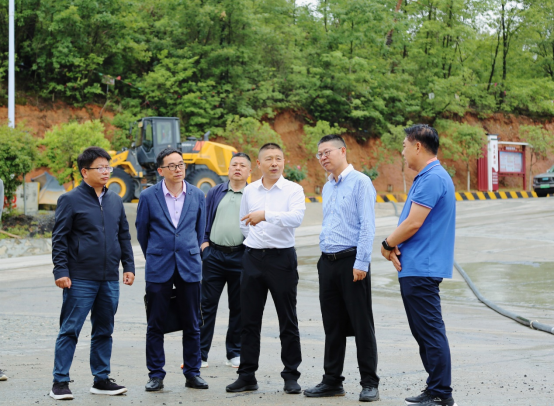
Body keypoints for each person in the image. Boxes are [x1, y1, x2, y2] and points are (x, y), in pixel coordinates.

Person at [50, 147, 135, 401]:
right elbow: (59, 238)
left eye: (108, 167)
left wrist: (128, 266)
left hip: (109, 277)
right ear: (85, 172)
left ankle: (101, 379)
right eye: (101, 167)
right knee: (70, 329)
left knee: (104, 330)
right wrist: (61, 270)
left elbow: (124, 236)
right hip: (80, 277)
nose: (106, 171)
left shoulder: (115, 200)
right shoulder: (70, 199)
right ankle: (60, 382)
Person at [380, 124, 457, 406]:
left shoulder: (432, 177)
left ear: (417, 146)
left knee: (430, 331)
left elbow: (413, 223)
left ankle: (440, 392)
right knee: (424, 331)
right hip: (417, 266)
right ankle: (435, 388)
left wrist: (387, 244)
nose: (402, 152)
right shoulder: (428, 176)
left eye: (404, 146)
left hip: (422, 267)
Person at [304, 135, 380, 402]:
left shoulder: (361, 182)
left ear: (343, 151)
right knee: (333, 326)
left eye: (327, 152)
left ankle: (370, 383)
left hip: (352, 262)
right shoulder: (328, 187)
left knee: (361, 325)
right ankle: (332, 381)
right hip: (328, 262)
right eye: (319, 154)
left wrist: (361, 262)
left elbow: (367, 225)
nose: (323, 157)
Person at [225, 143, 306, 395]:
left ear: (284, 162)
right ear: (259, 164)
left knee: (287, 319)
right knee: (249, 320)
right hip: (252, 258)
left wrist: (266, 215)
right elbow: (244, 223)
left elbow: (296, 218)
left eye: (278, 158)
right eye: (268, 159)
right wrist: (256, 240)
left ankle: (291, 375)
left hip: (282, 259)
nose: (274, 163)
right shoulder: (250, 190)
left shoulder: (294, 189)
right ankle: (247, 375)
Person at [136, 147, 207, 392]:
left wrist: (190, 251)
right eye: (172, 166)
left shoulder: (197, 194)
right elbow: (142, 232)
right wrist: (155, 255)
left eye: (181, 164)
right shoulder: (148, 196)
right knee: (155, 323)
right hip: (159, 266)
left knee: (192, 322)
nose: (178, 169)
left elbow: (199, 230)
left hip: (189, 264)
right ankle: (156, 374)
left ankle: (192, 373)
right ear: (160, 170)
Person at [199, 152, 252, 368]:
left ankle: (234, 353)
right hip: (214, 256)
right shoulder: (215, 191)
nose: (238, 168)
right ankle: (200, 353)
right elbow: (203, 220)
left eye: (242, 165)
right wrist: (204, 245)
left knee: (238, 307)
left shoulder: (253, 194)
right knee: (206, 305)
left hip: (241, 256)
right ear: (228, 169)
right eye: (234, 165)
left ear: (249, 171)